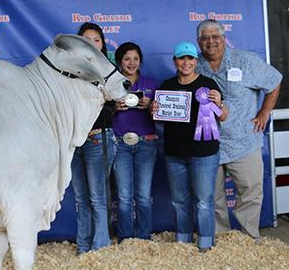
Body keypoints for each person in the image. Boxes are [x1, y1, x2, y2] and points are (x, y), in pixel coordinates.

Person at [195, 19, 283, 241]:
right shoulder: (194, 66)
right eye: (205, 38)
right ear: (199, 42)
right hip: (208, 145)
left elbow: (274, 81)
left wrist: (265, 112)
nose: (211, 42)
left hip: (243, 141)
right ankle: (220, 239)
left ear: (224, 39)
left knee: (250, 194)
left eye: (215, 37)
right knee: (212, 197)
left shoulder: (245, 60)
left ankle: (247, 239)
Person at [154, 42, 228, 252]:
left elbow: (223, 116)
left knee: (204, 201)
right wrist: (155, 109)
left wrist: (220, 103)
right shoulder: (166, 85)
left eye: (190, 58)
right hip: (174, 153)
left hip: (203, 154)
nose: (186, 62)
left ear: (196, 61)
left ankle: (205, 242)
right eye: (181, 58)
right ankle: (183, 240)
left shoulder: (208, 85)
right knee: (179, 201)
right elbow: (158, 117)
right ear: (175, 61)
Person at [70, 22, 117, 254]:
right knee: (81, 197)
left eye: (96, 39)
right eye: (86, 39)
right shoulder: (69, 72)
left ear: (102, 43)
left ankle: (100, 246)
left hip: (98, 138)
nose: (92, 43)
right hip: (74, 142)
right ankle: (83, 245)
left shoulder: (108, 71)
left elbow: (110, 108)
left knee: (98, 197)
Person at [112, 42, 159, 242]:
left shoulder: (153, 84)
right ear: (119, 61)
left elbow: (162, 117)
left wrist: (151, 107)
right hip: (120, 143)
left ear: (141, 61)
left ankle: (143, 237)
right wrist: (113, 108)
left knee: (143, 195)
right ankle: (125, 237)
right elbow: (99, 115)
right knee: (123, 196)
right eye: (127, 59)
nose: (131, 63)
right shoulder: (111, 84)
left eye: (136, 59)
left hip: (146, 143)